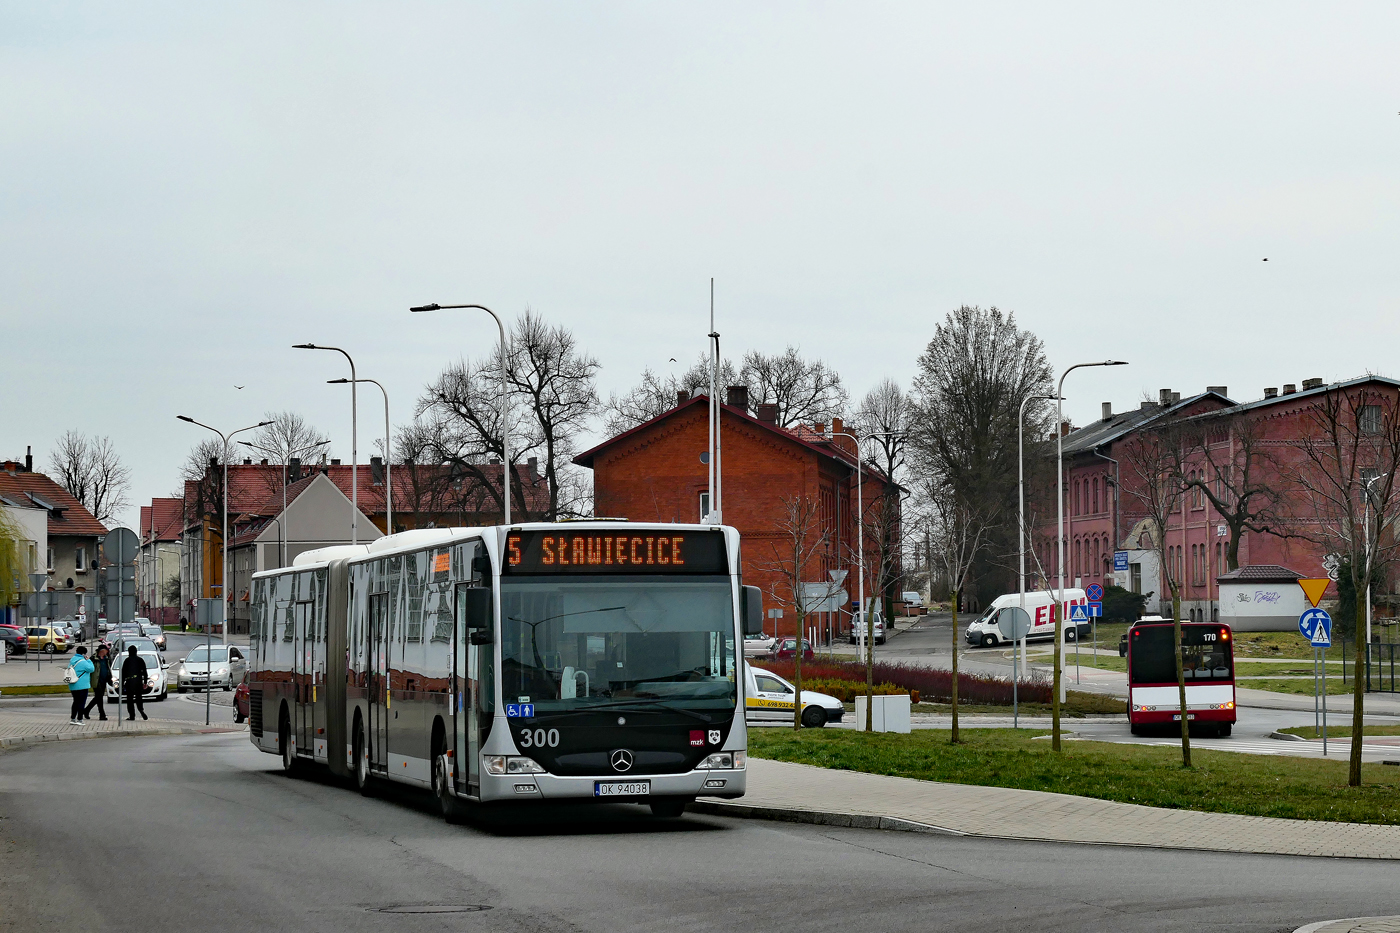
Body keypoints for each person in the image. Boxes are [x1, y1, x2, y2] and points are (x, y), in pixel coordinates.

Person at [84, 644, 113, 721]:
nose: (106, 652)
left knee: (98, 697)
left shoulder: (107, 658)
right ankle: (102, 715)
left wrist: (110, 677)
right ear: (101, 651)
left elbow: (108, 668)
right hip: (96, 680)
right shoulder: (94, 658)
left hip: (104, 680)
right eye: (105, 651)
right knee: (99, 697)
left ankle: (86, 710)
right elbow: (89, 669)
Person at [120, 644, 149, 721]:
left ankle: (132, 715)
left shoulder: (127, 660)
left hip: (129, 682)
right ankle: (141, 710)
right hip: (138, 681)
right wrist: (145, 682)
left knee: (130, 700)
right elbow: (145, 672)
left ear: (129, 652)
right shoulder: (140, 660)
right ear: (136, 652)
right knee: (139, 697)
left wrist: (122, 684)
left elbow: (123, 673)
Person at [66, 646, 94, 724]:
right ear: (84, 653)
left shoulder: (72, 660)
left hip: (72, 684)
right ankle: (80, 719)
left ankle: (73, 718)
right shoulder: (83, 661)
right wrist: (89, 660)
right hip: (82, 685)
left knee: (75, 702)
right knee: (81, 702)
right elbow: (91, 669)